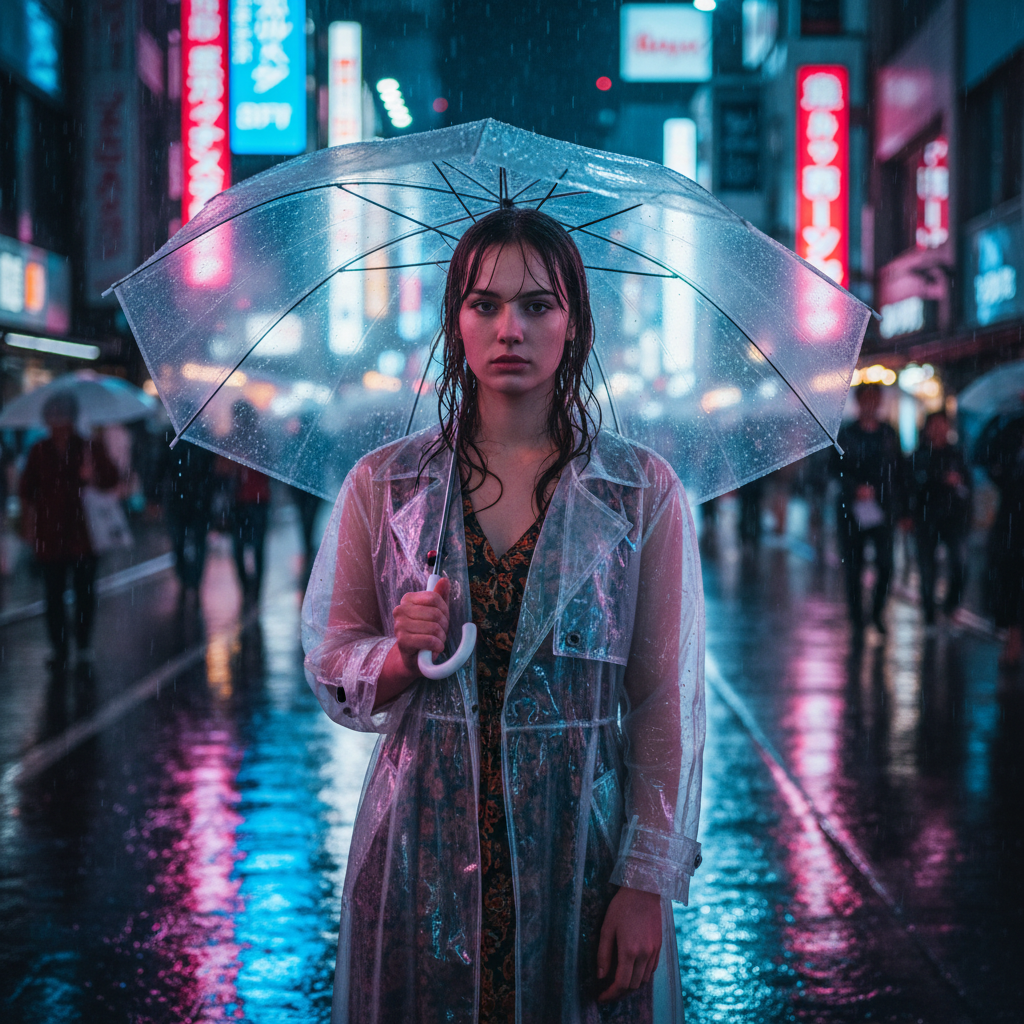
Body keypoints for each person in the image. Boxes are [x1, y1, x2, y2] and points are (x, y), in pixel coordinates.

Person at [302, 208, 705, 1023]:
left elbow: (664, 703)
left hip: (580, 851)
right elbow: (333, 657)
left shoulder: (640, 492)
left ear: (575, 322)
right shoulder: (388, 485)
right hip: (418, 846)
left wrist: (646, 880)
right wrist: (397, 656)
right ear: (455, 320)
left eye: (537, 305)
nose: (509, 329)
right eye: (483, 304)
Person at [18, 391, 119, 668]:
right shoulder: (40, 450)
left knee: (84, 593)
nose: (58, 425)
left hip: (84, 535)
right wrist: (28, 527)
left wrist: (93, 475)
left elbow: (111, 478)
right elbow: (27, 491)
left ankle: (83, 645)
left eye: (62, 419)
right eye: (54, 419)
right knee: (54, 595)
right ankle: (60, 648)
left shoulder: (89, 447)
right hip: (50, 537)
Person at [832, 383, 907, 633]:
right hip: (851, 510)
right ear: (859, 402)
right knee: (854, 567)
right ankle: (856, 617)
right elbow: (833, 469)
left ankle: (877, 612)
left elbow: (898, 471)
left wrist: (898, 504)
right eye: (867, 399)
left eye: (875, 399)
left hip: (883, 508)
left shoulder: (888, 433)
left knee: (886, 564)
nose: (871, 404)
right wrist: (855, 488)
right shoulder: (846, 434)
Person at [908, 411, 972, 625]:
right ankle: (929, 616)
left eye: (942, 424)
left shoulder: (957, 454)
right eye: (934, 425)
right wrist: (939, 479)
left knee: (960, 564)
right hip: (926, 519)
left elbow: (968, 486)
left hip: (954, 519)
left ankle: (950, 605)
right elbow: (912, 485)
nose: (938, 429)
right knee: (927, 569)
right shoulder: (919, 456)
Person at [980, 412, 1024, 668]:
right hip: (1012, 524)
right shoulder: (1010, 429)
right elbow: (983, 456)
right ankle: (1013, 640)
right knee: (1011, 583)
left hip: (1011, 523)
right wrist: (1002, 418)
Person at [162, 437, 215, 598]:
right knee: (180, 542)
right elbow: (162, 467)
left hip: (197, 503)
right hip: (181, 502)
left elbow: (211, 473)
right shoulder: (172, 440)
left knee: (197, 543)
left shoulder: (205, 442)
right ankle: (186, 579)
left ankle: (194, 580)